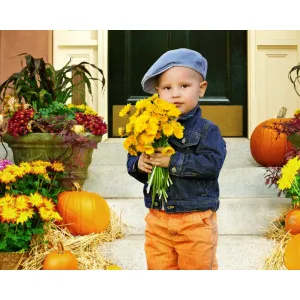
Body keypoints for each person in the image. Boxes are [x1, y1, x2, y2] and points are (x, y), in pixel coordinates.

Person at [127, 48, 227, 270]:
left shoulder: (207, 130)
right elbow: (132, 158)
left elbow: (211, 165)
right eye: (167, 88)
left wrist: (173, 162)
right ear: (157, 92)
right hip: (158, 219)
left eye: (184, 86)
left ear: (201, 89)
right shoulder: (148, 125)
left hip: (195, 220)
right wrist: (139, 164)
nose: (175, 94)